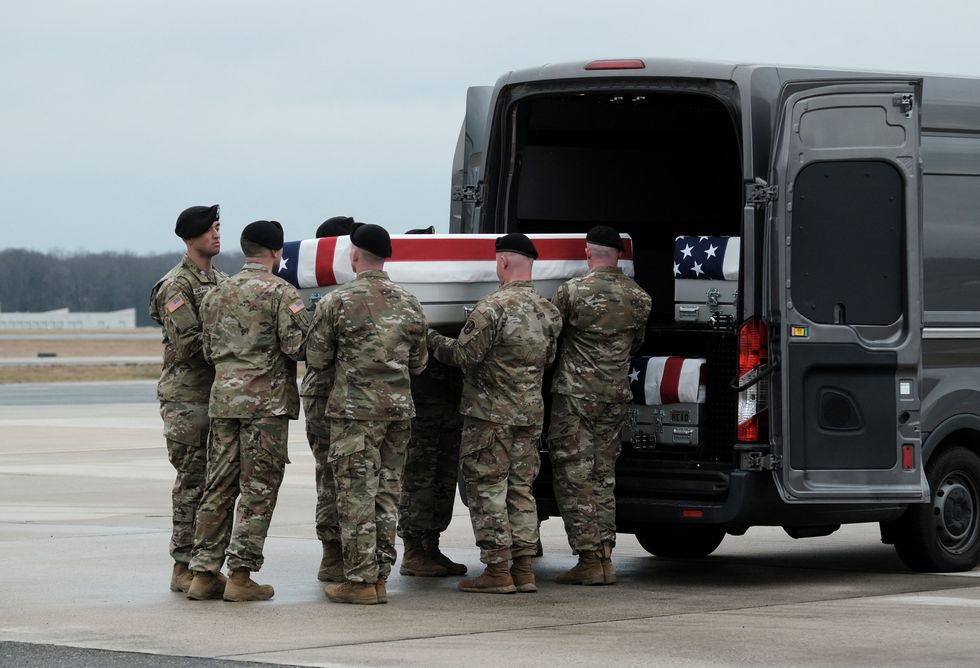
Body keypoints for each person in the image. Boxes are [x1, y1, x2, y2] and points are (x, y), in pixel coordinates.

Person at [427, 233, 563, 594]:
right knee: (521, 489)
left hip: (489, 417)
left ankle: (497, 569)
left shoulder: (492, 308)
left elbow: (463, 356)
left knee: (487, 488)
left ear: (502, 261)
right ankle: (524, 569)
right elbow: (549, 359)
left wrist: (430, 338)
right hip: (529, 415)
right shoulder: (549, 311)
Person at [186, 220, 310, 602]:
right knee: (258, 489)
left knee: (218, 487)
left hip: (224, 402)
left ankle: (203, 573)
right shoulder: (281, 293)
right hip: (265, 407)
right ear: (277, 252)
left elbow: (208, 351)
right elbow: (299, 347)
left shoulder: (216, 294)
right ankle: (240, 575)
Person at [307, 224, 428, 605]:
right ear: (386, 257)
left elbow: (317, 358)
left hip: (355, 413)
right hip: (398, 413)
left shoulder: (337, 301)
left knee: (357, 494)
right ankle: (379, 577)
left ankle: (359, 580)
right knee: (388, 494)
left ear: (355, 255)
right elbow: (419, 362)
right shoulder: (410, 302)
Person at [548, 225, 652, 585]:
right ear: (620, 255)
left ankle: (588, 558)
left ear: (588, 252)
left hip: (576, 398)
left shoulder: (572, 292)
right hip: (615, 396)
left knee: (574, 474)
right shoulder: (639, 298)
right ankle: (605, 554)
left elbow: (552, 337)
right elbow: (636, 344)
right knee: (603, 475)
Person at [148, 204, 225, 594]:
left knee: (217, 485)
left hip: (219, 395)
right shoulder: (176, 285)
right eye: (210, 229)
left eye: (218, 227)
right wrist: (238, 343)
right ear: (190, 237)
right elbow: (189, 344)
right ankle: (183, 565)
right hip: (187, 400)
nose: (217, 234)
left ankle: (205, 564)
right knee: (192, 483)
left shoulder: (222, 281)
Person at [397, 225, 467, 579]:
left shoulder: (444, 296)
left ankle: (431, 546)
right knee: (419, 477)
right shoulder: (403, 305)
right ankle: (413, 550)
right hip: (420, 406)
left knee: (444, 478)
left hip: (449, 404)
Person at [301, 215, 357, 582]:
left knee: (353, 477)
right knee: (331, 477)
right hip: (326, 394)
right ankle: (333, 553)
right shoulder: (320, 294)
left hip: (348, 396)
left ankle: (353, 552)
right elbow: (315, 353)